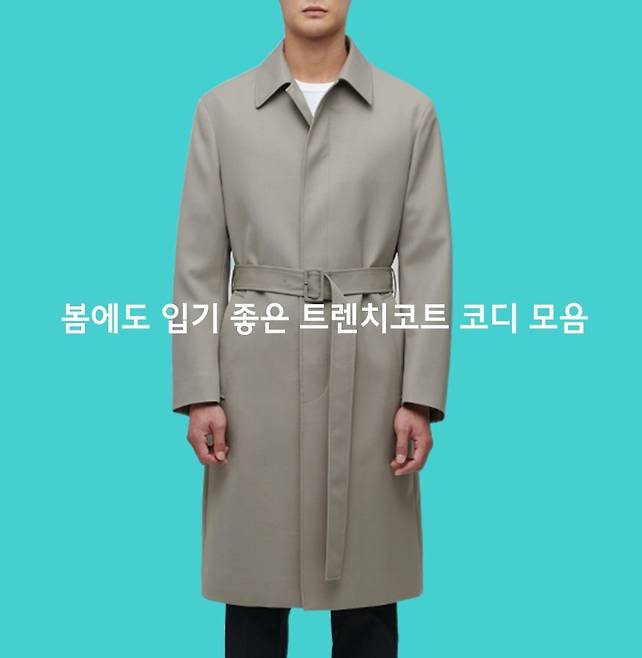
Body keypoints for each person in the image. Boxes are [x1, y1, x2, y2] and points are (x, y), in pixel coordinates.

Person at [171, 1, 452, 656]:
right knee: (252, 593)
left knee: (368, 593)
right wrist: (200, 391)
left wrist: (419, 397)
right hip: (253, 378)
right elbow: (197, 264)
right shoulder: (222, 110)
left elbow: (429, 263)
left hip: (372, 376)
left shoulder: (409, 112)